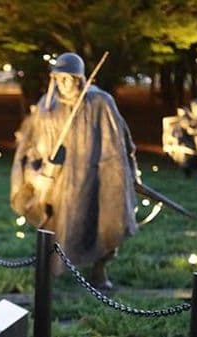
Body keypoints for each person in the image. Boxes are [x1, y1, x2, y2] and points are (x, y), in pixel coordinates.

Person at [10, 51, 138, 289]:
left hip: (93, 176)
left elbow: (120, 140)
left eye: (70, 78)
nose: (65, 83)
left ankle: (99, 270)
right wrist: (35, 173)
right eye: (60, 78)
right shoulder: (47, 106)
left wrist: (130, 170)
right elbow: (32, 144)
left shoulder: (100, 102)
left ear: (80, 78)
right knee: (53, 224)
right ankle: (50, 269)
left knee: (102, 222)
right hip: (57, 180)